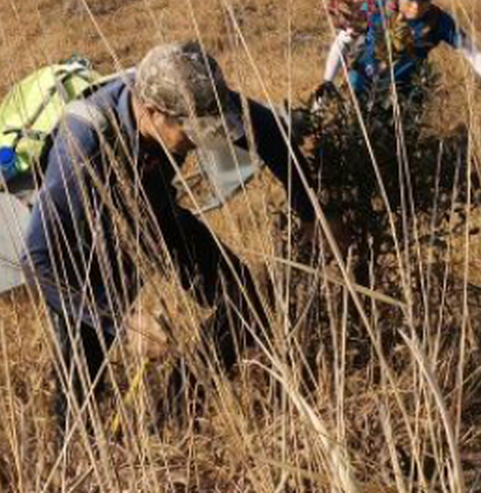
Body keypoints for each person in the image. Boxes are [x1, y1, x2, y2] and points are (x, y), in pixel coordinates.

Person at [22, 41, 311, 434]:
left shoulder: (195, 92)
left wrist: (315, 215)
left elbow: (268, 133)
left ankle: (175, 414)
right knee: (83, 368)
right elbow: (37, 256)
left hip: (156, 212)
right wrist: (121, 322)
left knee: (241, 296)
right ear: (152, 112)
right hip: (85, 249)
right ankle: (77, 455)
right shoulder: (83, 143)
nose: (200, 140)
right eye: (190, 131)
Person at [323, 0, 481, 108]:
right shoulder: (376, 7)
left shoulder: (438, 21)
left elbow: (473, 53)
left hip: (405, 97)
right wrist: (327, 81)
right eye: (410, 0)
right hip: (363, 84)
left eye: (423, 1)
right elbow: (343, 41)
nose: (417, 7)